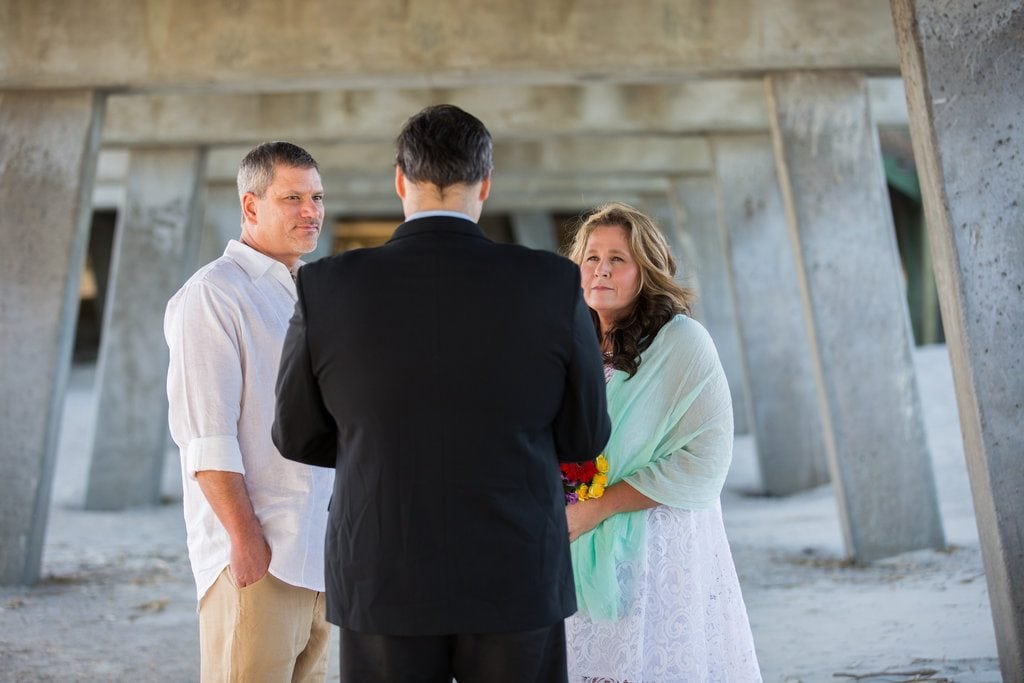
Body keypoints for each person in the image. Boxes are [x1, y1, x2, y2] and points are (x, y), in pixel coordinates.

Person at [272, 104, 611, 683]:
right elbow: (583, 435)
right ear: (485, 183)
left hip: (382, 565)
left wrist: (374, 442)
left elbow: (297, 432)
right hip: (515, 567)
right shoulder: (553, 283)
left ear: (401, 180)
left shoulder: (327, 285)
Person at [563, 202, 761, 682]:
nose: (602, 270)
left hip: (655, 540)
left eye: (618, 259)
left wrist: (602, 506)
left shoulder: (682, 342)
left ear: (646, 271)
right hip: (576, 536)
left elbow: (707, 458)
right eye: (592, 258)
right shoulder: (572, 340)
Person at [164, 142, 334, 682]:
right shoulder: (214, 294)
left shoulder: (310, 292)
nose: (311, 211)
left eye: (316, 197)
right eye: (292, 198)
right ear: (251, 205)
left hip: (316, 553)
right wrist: (244, 539)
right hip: (259, 556)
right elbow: (206, 437)